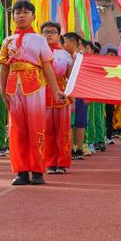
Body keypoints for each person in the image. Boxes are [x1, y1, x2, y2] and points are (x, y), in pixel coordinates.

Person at [0, 0, 65, 186]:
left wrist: (56, 90)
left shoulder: (40, 40)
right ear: (13, 17)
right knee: (16, 130)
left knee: (36, 129)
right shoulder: (7, 41)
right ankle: (21, 171)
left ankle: (37, 171)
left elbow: (48, 68)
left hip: (34, 86)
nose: (21, 15)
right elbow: (4, 68)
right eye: (17, 12)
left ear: (33, 16)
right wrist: (3, 92)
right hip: (13, 88)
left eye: (25, 12)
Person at [41, 22, 73, 174]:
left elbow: (70, 77)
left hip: (61, 95)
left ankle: (62, 162)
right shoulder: (37, 54)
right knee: (46, 131)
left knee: (63, 130)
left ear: (59, 35)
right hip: (42, 95)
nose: (49, 35)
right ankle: (49, 162)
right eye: (46, 32)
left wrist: (72, 97)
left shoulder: (65, 55)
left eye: (52, 32)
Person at [62, 32, 87, 160]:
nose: (63, 44)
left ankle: (80, 148)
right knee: (68, 123)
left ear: (73, 43)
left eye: (65, 42)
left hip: (80, 93)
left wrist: (87, 95)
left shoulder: (81, 57)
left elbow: (87, 76)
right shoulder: (61, 56)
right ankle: (69, 148)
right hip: (65, 94)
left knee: (80, 122)